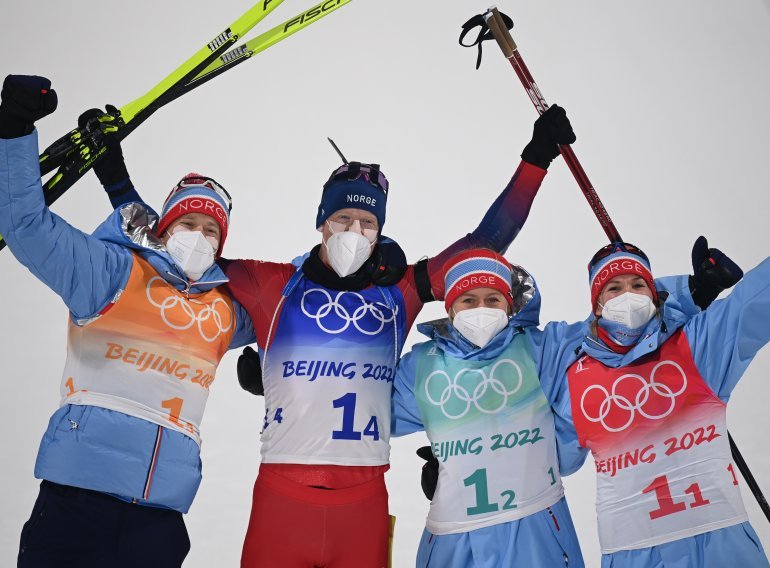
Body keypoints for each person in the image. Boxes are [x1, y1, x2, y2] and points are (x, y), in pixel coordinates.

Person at [90, 97, 579, 565]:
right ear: (322, 222)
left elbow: (485, 244)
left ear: (380, 229)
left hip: (361, 504)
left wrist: (536, 159)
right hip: (282, 500)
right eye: (342, 217)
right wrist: (117, 182)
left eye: (367, 222)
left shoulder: (401, 289)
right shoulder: (273, 285)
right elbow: (181, 249)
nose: (354, 231)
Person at [0, 75, 254, 567]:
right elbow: (26, 225)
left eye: (210, 230)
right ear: (164, 229)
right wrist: (13, 128)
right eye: (186, 224)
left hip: (159, 522)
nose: (197, 238)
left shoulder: (224, 311)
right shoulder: (108, 273)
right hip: (76, 506)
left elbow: (291, 306)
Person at [391, 240, 740, 568]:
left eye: (493, 300)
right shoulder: (421, 365)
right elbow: (367, 407)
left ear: (509, 305)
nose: (481, 310)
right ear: (450, 308)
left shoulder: (544, 348)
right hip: (453, 534)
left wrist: (692, 294)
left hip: (537, 525)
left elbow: (621, 322)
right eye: (468, 301)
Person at [556, 239, 770, 567]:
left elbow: (758, 297)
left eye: (639, 285)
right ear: (596, 306)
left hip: (720, 544)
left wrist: (692, 293)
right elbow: (556, 459)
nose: (628, 296)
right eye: (613, 288)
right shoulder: (578, 382)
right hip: (635, 555)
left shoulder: (697, 348)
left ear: (655, 295)